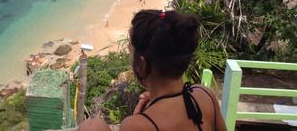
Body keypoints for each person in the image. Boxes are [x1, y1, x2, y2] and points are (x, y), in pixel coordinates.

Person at [79, 10, 227, 131]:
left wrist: (139, 120)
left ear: (142, 64)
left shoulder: (137, 126)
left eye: (130, 52)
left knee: (92, 126)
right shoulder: (204, 96)